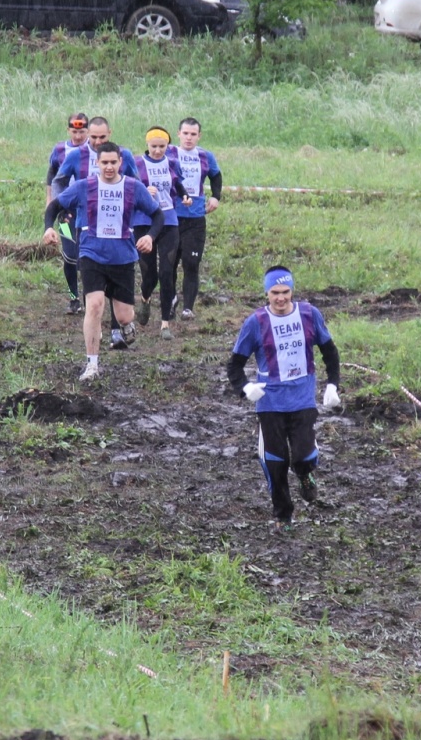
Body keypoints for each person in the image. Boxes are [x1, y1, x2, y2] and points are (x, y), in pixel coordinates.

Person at [227, 266, 342, 526]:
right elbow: (234, 365)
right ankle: (283, 516)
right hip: (270, 403)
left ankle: (304, 475)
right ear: (267, 293)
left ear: (292, 291)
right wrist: (245, 388)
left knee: (303, 456)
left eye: (285, 292)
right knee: (275, 461)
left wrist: (333, 384)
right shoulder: (255, 322)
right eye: (275, 293)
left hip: (302, 398)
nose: (281, 298)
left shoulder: (309, 315)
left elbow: (329, 351)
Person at [45, 141, 158, 381]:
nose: (109, 167)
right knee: (94, 306)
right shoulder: (84, 187)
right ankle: (92, 365)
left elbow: (157, 214)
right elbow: (54, 206)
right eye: (104, 162)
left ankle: (127, 326)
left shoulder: (133, 187)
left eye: (113, 162)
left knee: (125, 315)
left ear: (121, 163)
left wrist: (149, 235)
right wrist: (48, 229)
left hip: (123, 258)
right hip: (91, 254)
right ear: (97, 164)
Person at [133, 128, 184, 336]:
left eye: (161, 147)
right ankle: (145, 298)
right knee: (149, 274)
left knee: (166, 271)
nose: (157, 151)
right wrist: (144, 189)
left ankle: (165, 324)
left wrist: (186, 196)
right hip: (143, 222)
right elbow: (129, 187)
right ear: (147, 145)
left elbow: (178, 185)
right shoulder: (136, 163)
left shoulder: (172, 162)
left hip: (169, 220)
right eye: (153, 146)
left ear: (167, 146)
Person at [172, 118, 223, 319]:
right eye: (185, 133)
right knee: (169, 264)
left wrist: (215, 197)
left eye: (193, 134)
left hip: (195, 218)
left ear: (199, 136)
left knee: (191, 263)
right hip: (171, 218)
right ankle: (171, 300)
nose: (189, 138)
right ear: (179, 134)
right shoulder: (168, 153)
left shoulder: (205, 156)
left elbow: (216, 176)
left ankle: (188, 308)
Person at [46, 113, 89, 314]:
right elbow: (52, 178)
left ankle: (92, 297)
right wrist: (51, 204)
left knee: (86, 256)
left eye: (82, 132)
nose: (78, 136)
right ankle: (73, 298)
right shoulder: (60, 150)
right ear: (68, 131)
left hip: (89, 212)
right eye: (74, 131)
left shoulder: (97, 152)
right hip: (65, 211)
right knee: (69, 255)